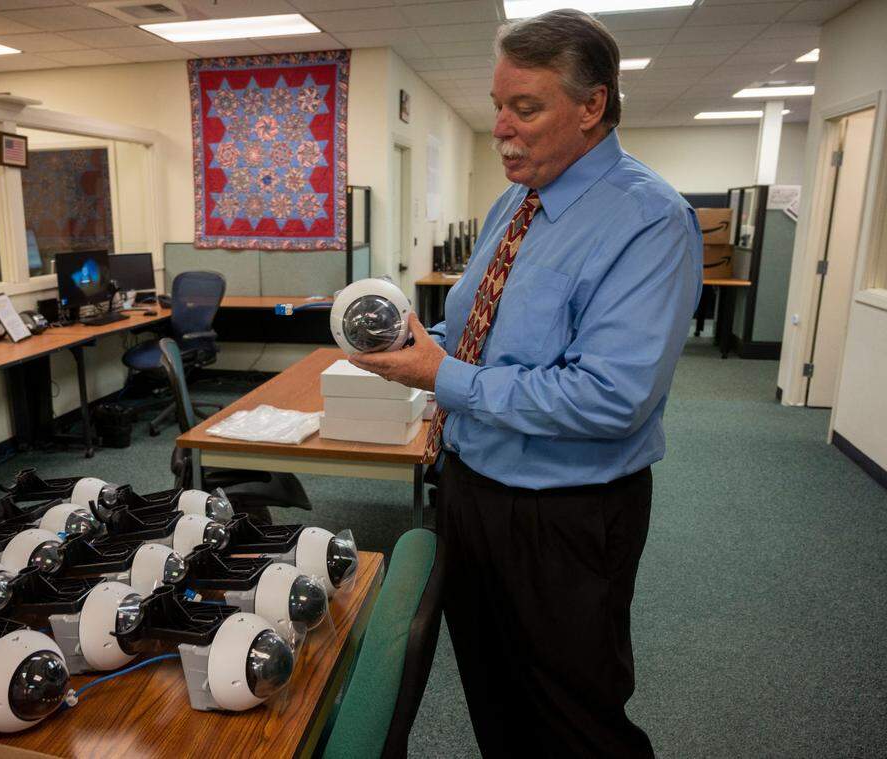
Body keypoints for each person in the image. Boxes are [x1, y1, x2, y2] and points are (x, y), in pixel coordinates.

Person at [349, 9, 702, 758]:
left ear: (593, 105)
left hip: (564, 518)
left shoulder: (650, 221)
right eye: (498, 105)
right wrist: (418, 346)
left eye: (527, 108)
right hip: (471, 489)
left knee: (577, 719)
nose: (503, 128)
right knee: (496, 698)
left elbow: (611, 396)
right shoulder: (516, 202)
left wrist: (444, 376)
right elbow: (485, 334)